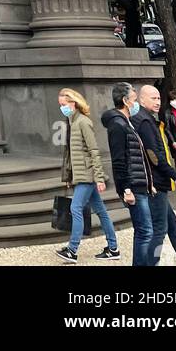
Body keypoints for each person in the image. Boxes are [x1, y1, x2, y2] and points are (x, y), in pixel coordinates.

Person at [55, 88, 121, 262]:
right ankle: (113, 248)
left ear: (73, 103)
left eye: (64, 104)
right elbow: (72, 154)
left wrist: (99, 177)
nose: (62, 108)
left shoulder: (83, 122)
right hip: (82, 174)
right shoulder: (72, 121)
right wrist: (70, 177)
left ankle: (72, 249)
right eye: (60, 105)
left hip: (87, 174)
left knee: (75, 208)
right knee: (100, 210)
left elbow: (93, 150)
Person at [135, 84, 176, 267]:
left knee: (172, 225)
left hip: (158, 182)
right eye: (153, 98)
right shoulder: (144, 122)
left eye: (159, 98)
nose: (157, 102)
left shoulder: (149, 120)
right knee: (159, 230)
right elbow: (155, 156)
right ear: (141, 99)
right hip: (156, 183)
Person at [102, 82, 155, 266]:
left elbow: (137, 155)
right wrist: (126, 189)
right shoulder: (118, 125)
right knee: (145, 231)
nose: (136, 101)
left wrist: (149, 183)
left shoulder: (126, 123)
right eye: (134, 97)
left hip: (139, 184)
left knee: (144, 230)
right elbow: (119, 160)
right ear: (125, 101)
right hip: (133, 185)